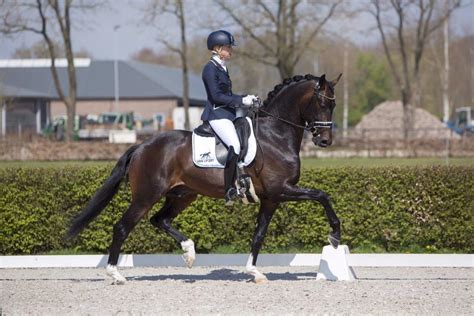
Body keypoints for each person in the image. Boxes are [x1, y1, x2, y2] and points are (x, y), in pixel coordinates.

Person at [201, 30, 257, 206]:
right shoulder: (210, 69)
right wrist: (241, 101)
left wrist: (247, 98)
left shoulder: (222, 67)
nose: (230, 50)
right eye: (227, 47)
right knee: (235, 144)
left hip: (227, 114)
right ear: (217, 49)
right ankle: (229, 190)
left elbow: (228, 94)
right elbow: (217, 97)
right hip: (217, 115)